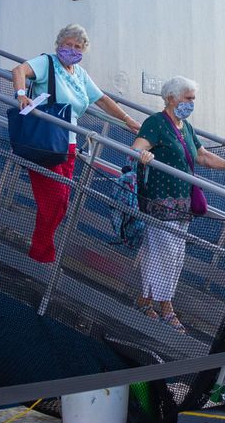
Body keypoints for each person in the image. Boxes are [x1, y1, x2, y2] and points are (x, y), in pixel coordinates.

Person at [128, 77, 225, 330]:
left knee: (170, 255)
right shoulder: (156, 123)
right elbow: (138, 146)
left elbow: (202, 156)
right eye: (189, 98)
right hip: (162, 201)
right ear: (172, 98)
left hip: (181, 204)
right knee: (165, 254)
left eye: (193, 98)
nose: (192, 103)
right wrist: (144, 154)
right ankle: (164, 305)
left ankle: (149, 300)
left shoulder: (185, 127)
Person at [10, 25, 142, 263]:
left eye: (77, 47)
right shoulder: (47, 63)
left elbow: (101, 99)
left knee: (61, 204)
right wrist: (21, 94)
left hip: (68, 145)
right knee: (55, 199)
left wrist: (127, 120)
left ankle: (41, 249)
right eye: (68, 44)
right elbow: (19, 69)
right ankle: (41, 254)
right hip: (45, 143)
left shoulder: (79, 74)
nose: (71, 50)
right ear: (59, 45)